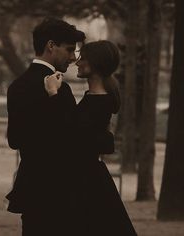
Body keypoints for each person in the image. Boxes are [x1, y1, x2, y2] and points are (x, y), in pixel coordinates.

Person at [46, 40, 137, 235]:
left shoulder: (98, 101)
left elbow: (72, 136)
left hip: (85, 180)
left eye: (83, 59)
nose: (77, 63)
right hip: (86, 176)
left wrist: (53, 93)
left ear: (95, 64)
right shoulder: (94, 97)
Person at [5, 17, 87, 235]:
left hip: (32, 186)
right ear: (51, 45)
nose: (72, 58)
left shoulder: (17, 86)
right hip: (62, 187)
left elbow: (14, 140)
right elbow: (72, 138)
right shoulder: (62, 90)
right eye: (70, 50)